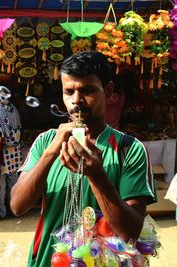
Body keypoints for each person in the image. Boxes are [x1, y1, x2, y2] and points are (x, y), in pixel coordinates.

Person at [10, 51, 156, 267]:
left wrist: (97, 177)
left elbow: (130, 232)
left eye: (87, 90)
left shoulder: (129, 149)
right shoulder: (46, 142)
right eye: (69, 91)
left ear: (108, 91)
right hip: (50, 261)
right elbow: (17, 205)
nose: (76, 100)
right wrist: (51, 152)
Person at [0, 90, 22, 218]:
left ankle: (1, 212)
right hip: (15, 151)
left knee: (1, 184)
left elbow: (2, 132)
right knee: (14, 182)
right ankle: (14, 209)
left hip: (4, 151)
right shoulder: (13, 109)